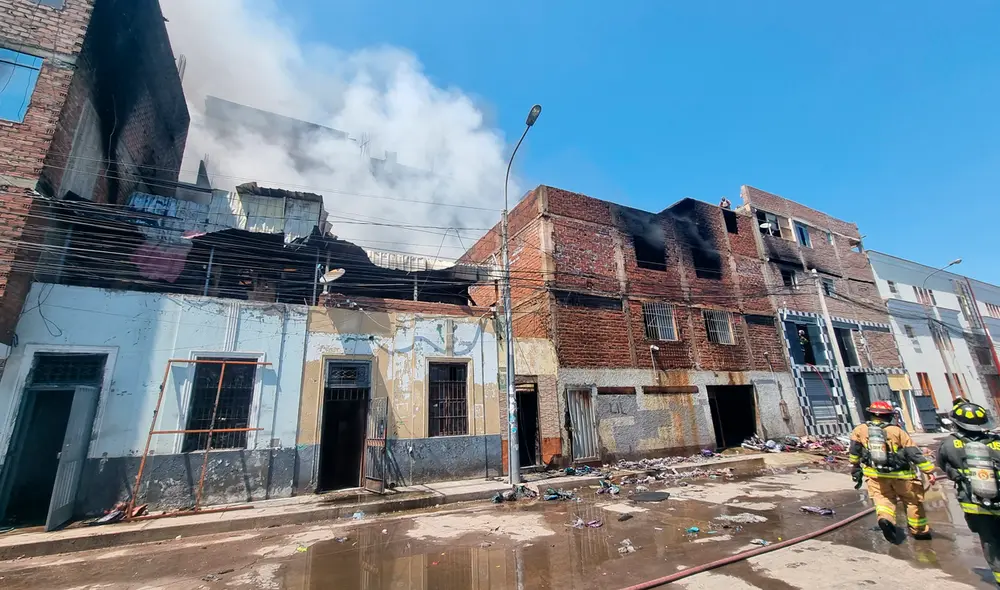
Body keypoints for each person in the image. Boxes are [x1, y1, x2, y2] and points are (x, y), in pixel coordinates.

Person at [849, 400, 937, 543]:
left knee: (883, 500)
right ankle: (919, 531)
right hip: (902, 475)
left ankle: (885, 519)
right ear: (889, 415)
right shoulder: (897, 431)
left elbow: (854, 451)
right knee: (912, 502)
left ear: (871, 414)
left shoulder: (860, 430)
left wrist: (855, 466)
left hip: (875, 474)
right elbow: (913, 453)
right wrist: (929, 471)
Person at [936, 400, 1000, 587]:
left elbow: (943, 464)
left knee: (990, 541)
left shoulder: (949, 444)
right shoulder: (996, 442)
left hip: (974, 502)